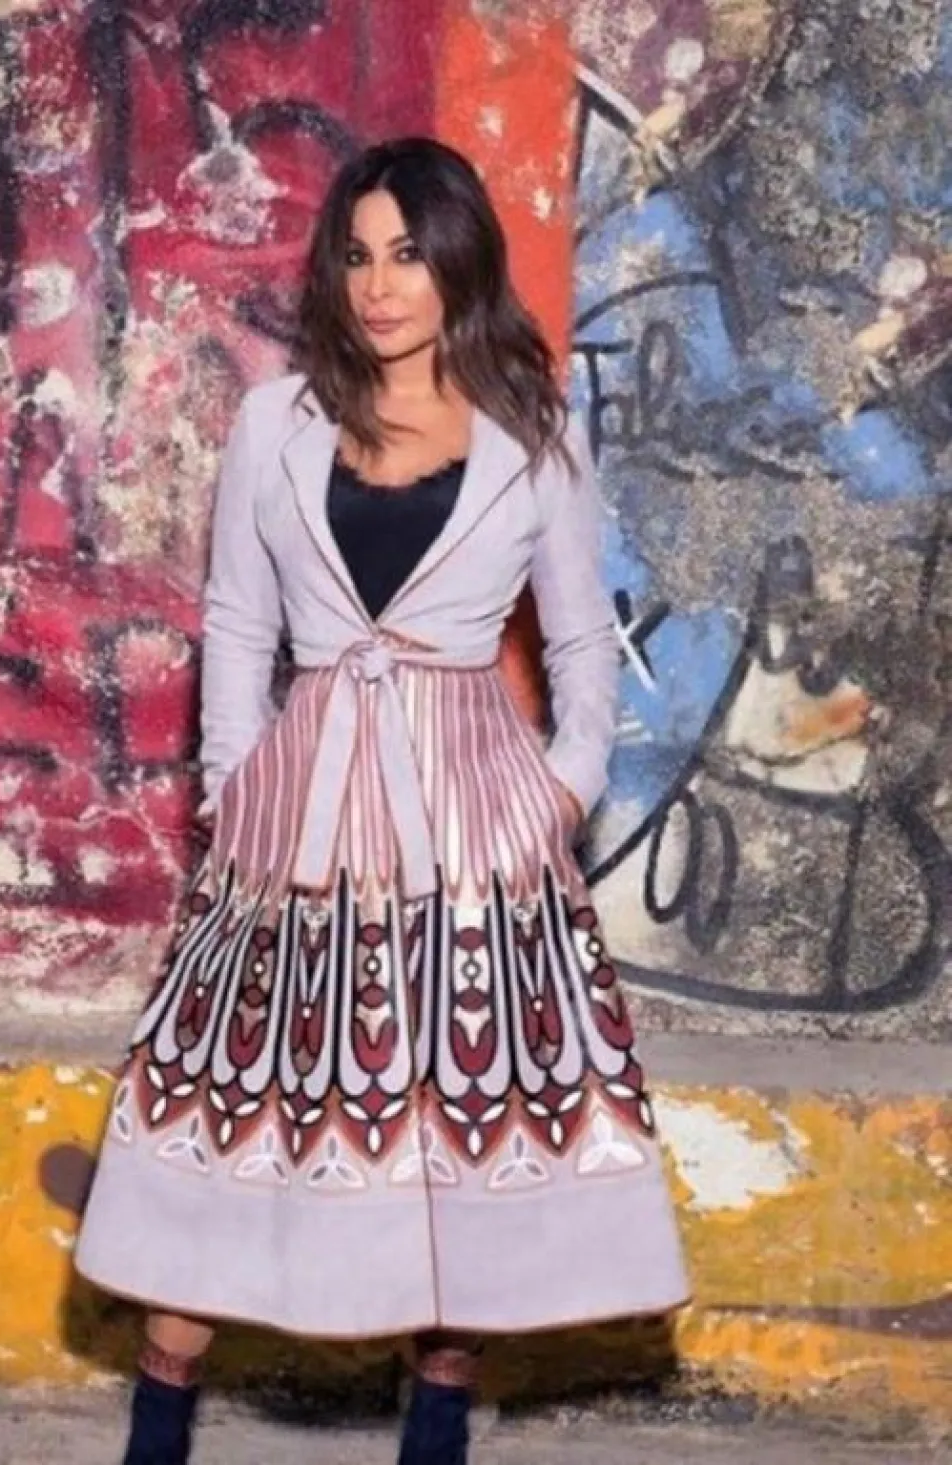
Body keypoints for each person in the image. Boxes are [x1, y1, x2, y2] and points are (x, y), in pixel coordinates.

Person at [74, 135, 690, 1465]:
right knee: (227, 1137)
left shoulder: (534, 435)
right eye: (357, 255)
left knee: (454, 1167)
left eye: (408, 253)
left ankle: (435, 1441)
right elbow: (238, 625)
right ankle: (155, 1442)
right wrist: (235, 790)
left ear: (458, 259)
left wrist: (560, 793)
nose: (379, 284)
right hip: (296, 819)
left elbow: (583, 644)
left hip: (475, 831)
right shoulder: (274, 424)